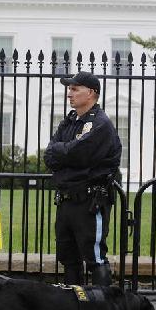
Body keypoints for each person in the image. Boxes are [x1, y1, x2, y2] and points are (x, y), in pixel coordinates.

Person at [44, 71, 121, 286]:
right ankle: (74, 306)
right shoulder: (69, 122)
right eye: (69, 89)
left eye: (75, 89)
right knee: (68, 257)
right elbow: (50, 155)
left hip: (90, 202)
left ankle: (103, 309)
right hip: (66, 200)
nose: (70, 93)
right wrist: (67, 153)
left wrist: (66, 154)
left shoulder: (101, 124)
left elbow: (80, 154)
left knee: (94, 256)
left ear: (91, 93)